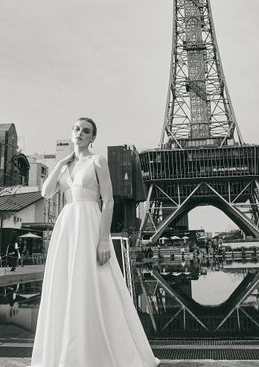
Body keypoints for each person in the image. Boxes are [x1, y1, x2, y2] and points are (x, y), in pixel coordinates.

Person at [31, 117, 160, 367]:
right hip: (67, 225)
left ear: (93, 138)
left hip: (89, 222)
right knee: (67, 282)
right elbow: (46, 192)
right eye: (76, 129)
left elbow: (108, 200)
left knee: (97, 280)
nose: (79, 133)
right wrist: (60, 163)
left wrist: (103, 240)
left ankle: (104, 349)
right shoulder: (65, 166)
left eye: (86, 131)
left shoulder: (97, 161)